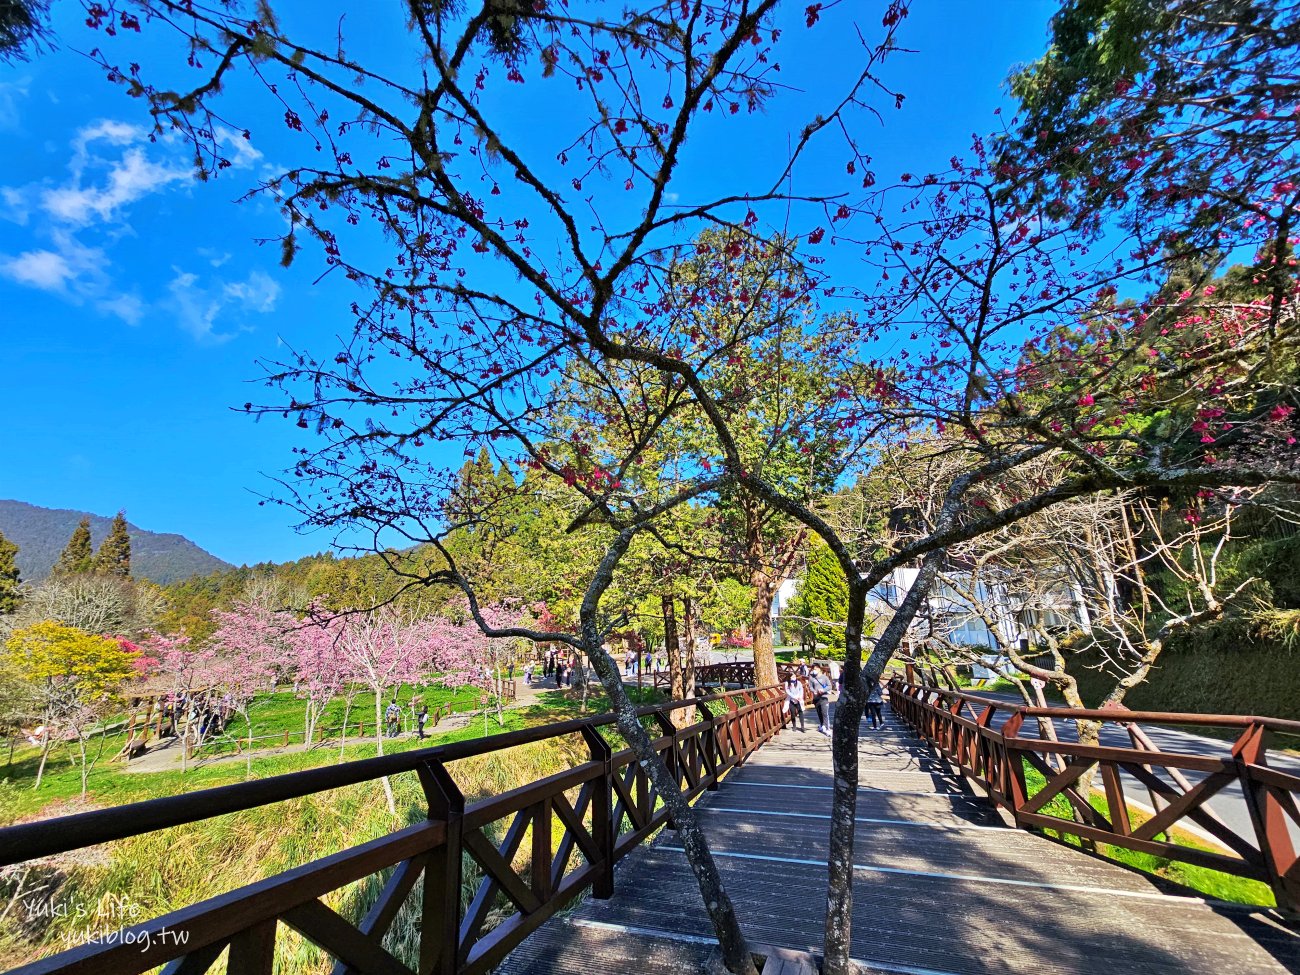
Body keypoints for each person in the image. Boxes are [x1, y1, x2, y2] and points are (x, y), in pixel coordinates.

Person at [809, 665, 832, 735]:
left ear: (819, 669)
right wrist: (814, 691)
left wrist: (823, 690)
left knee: (825, 713)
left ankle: (828, 729)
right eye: (813, 669)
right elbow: (810, 687)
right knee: (819, 713)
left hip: (824, 697)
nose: (814, 670)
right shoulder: (811, 677)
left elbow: (830, 686)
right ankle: (822, 725)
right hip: (816, 698)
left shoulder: (824, 677)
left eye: (815, 669)